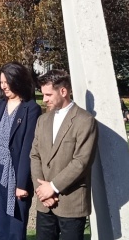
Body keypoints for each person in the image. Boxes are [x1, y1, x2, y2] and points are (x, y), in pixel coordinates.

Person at [0, 63, 41, 240]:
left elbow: (28, 147)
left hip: (16, 172)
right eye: (1, 82)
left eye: (7, 82)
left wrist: (22, 184)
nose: (3, 86)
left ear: (18, 81)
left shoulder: (31, 108)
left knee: (15, 228)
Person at [30, 69, 97, 240]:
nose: (44, 99)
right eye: (43, 94)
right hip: (45, 204)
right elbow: (35, 155)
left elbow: (81, 162)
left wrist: (52, 188)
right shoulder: (42, 120)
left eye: (48, 95)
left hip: (71, 203)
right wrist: (42, 191)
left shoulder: (84, 120)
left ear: (63, 91)